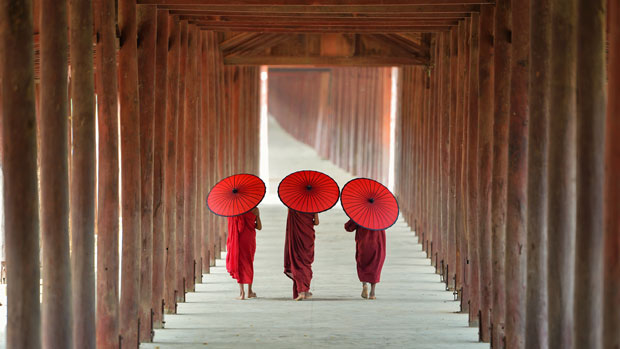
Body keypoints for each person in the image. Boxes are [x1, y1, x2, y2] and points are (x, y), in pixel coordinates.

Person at [344, 219, 386, 300]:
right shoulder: (381, 216)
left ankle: (364, 284)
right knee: (376, 265)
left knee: (362, 264)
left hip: (363, 243)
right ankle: (372, 293)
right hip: (378, 243)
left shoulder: (360, 215)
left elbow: (348, 227)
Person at [226, 206, 262, 300]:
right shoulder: (255, 210)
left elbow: (239, 228)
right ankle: (250, 291)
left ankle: (242, 293)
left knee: (239, 263)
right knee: (249, 262)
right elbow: (259, 227)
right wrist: (255, 218)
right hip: (249, 239)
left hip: (238, 240)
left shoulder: (235, 210)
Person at [284, 209, 319, 301]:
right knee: (306, 263)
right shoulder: (313, 205)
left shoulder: (292, 206)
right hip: (308, 236)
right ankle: (305, 290)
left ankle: (301, 291)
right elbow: (316, 222)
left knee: (297, 261)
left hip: (296, 236)